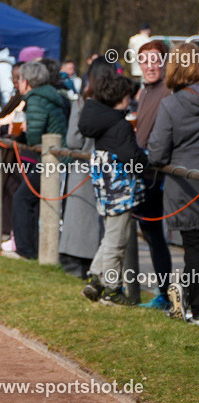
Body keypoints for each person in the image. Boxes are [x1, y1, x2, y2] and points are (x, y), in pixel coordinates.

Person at [79, 71, 148, 306]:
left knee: (110, 237)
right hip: (119, 193)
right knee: (117, 242)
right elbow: (132, 158)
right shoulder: (119, 126)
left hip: (106, 191)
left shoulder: (102, 122)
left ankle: (96, 279)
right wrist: (145, 159)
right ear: (122, 98)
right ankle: (112, 290)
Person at [148, 42, 199, 323]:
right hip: (188, 185)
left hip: (186, 188)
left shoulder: (171, 104)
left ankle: (195, 308)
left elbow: (157, 152)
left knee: (193, 248)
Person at [59, 58, 116, 278]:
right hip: (108, 170)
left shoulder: (82, 103)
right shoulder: (116, 104)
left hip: (83, 169)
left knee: (79, 224)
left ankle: (76, 268)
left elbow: (73, 140)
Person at [9, 60, 70, 260]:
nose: (17, 84)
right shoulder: (49, 95)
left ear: (26, 81)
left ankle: (25, 250)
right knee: (32, 202)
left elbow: (35, 137)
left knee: (21, 199)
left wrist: (21, 131)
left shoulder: (35, 99)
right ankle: (34, 250)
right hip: (55, 159)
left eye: (19, 80)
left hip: (50, 161)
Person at [133, 40, 175, 310]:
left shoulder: (169, 91)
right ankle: (160, 292)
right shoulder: (143, 92)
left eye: (155, 60)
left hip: (161, 174)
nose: (150, 66)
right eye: (144, 61)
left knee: (156, 233)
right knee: (148, 232)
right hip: (142, 171)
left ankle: (165, 294)